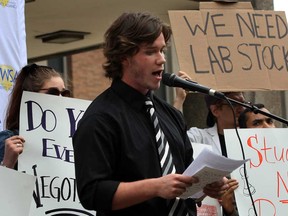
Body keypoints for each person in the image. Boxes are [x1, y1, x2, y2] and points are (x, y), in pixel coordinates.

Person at [72, 12, 229, 216]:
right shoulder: (100, 119)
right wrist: (154, 187)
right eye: (150, 52)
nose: (162, 59)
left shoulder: (170, 114)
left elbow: (185, 181)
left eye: (162, 50)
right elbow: (91, 193)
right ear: (123, 56)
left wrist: (206, 185)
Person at [173, 72, 245, 216]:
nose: (241, 108)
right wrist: (180, 98)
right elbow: (173, 136)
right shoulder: (200, 137)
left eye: (244, 103)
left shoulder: (252, 139)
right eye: (234, 103)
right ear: (215, 110)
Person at [0, 63, 70, 169]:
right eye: (52, 92)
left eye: (64, 93)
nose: (60, 98)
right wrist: (7, 163)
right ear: (31, 95)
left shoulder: (70, 141)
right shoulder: (8, 141)